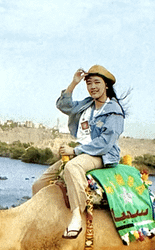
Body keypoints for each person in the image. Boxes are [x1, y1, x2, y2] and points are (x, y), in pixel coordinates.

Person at [32, 65, 125, 238]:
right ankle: (47, 221)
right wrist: (73, 83)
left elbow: (105, 143)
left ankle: (76, 217)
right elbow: (64, 105)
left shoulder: (114, 111)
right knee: (38, 185)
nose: (93, 87)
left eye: (97, 82)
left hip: (100, 155)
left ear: (106, 86)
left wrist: (75, 151)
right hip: (81, 153)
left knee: (72, 168)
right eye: (89, 83)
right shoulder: (87, 104)